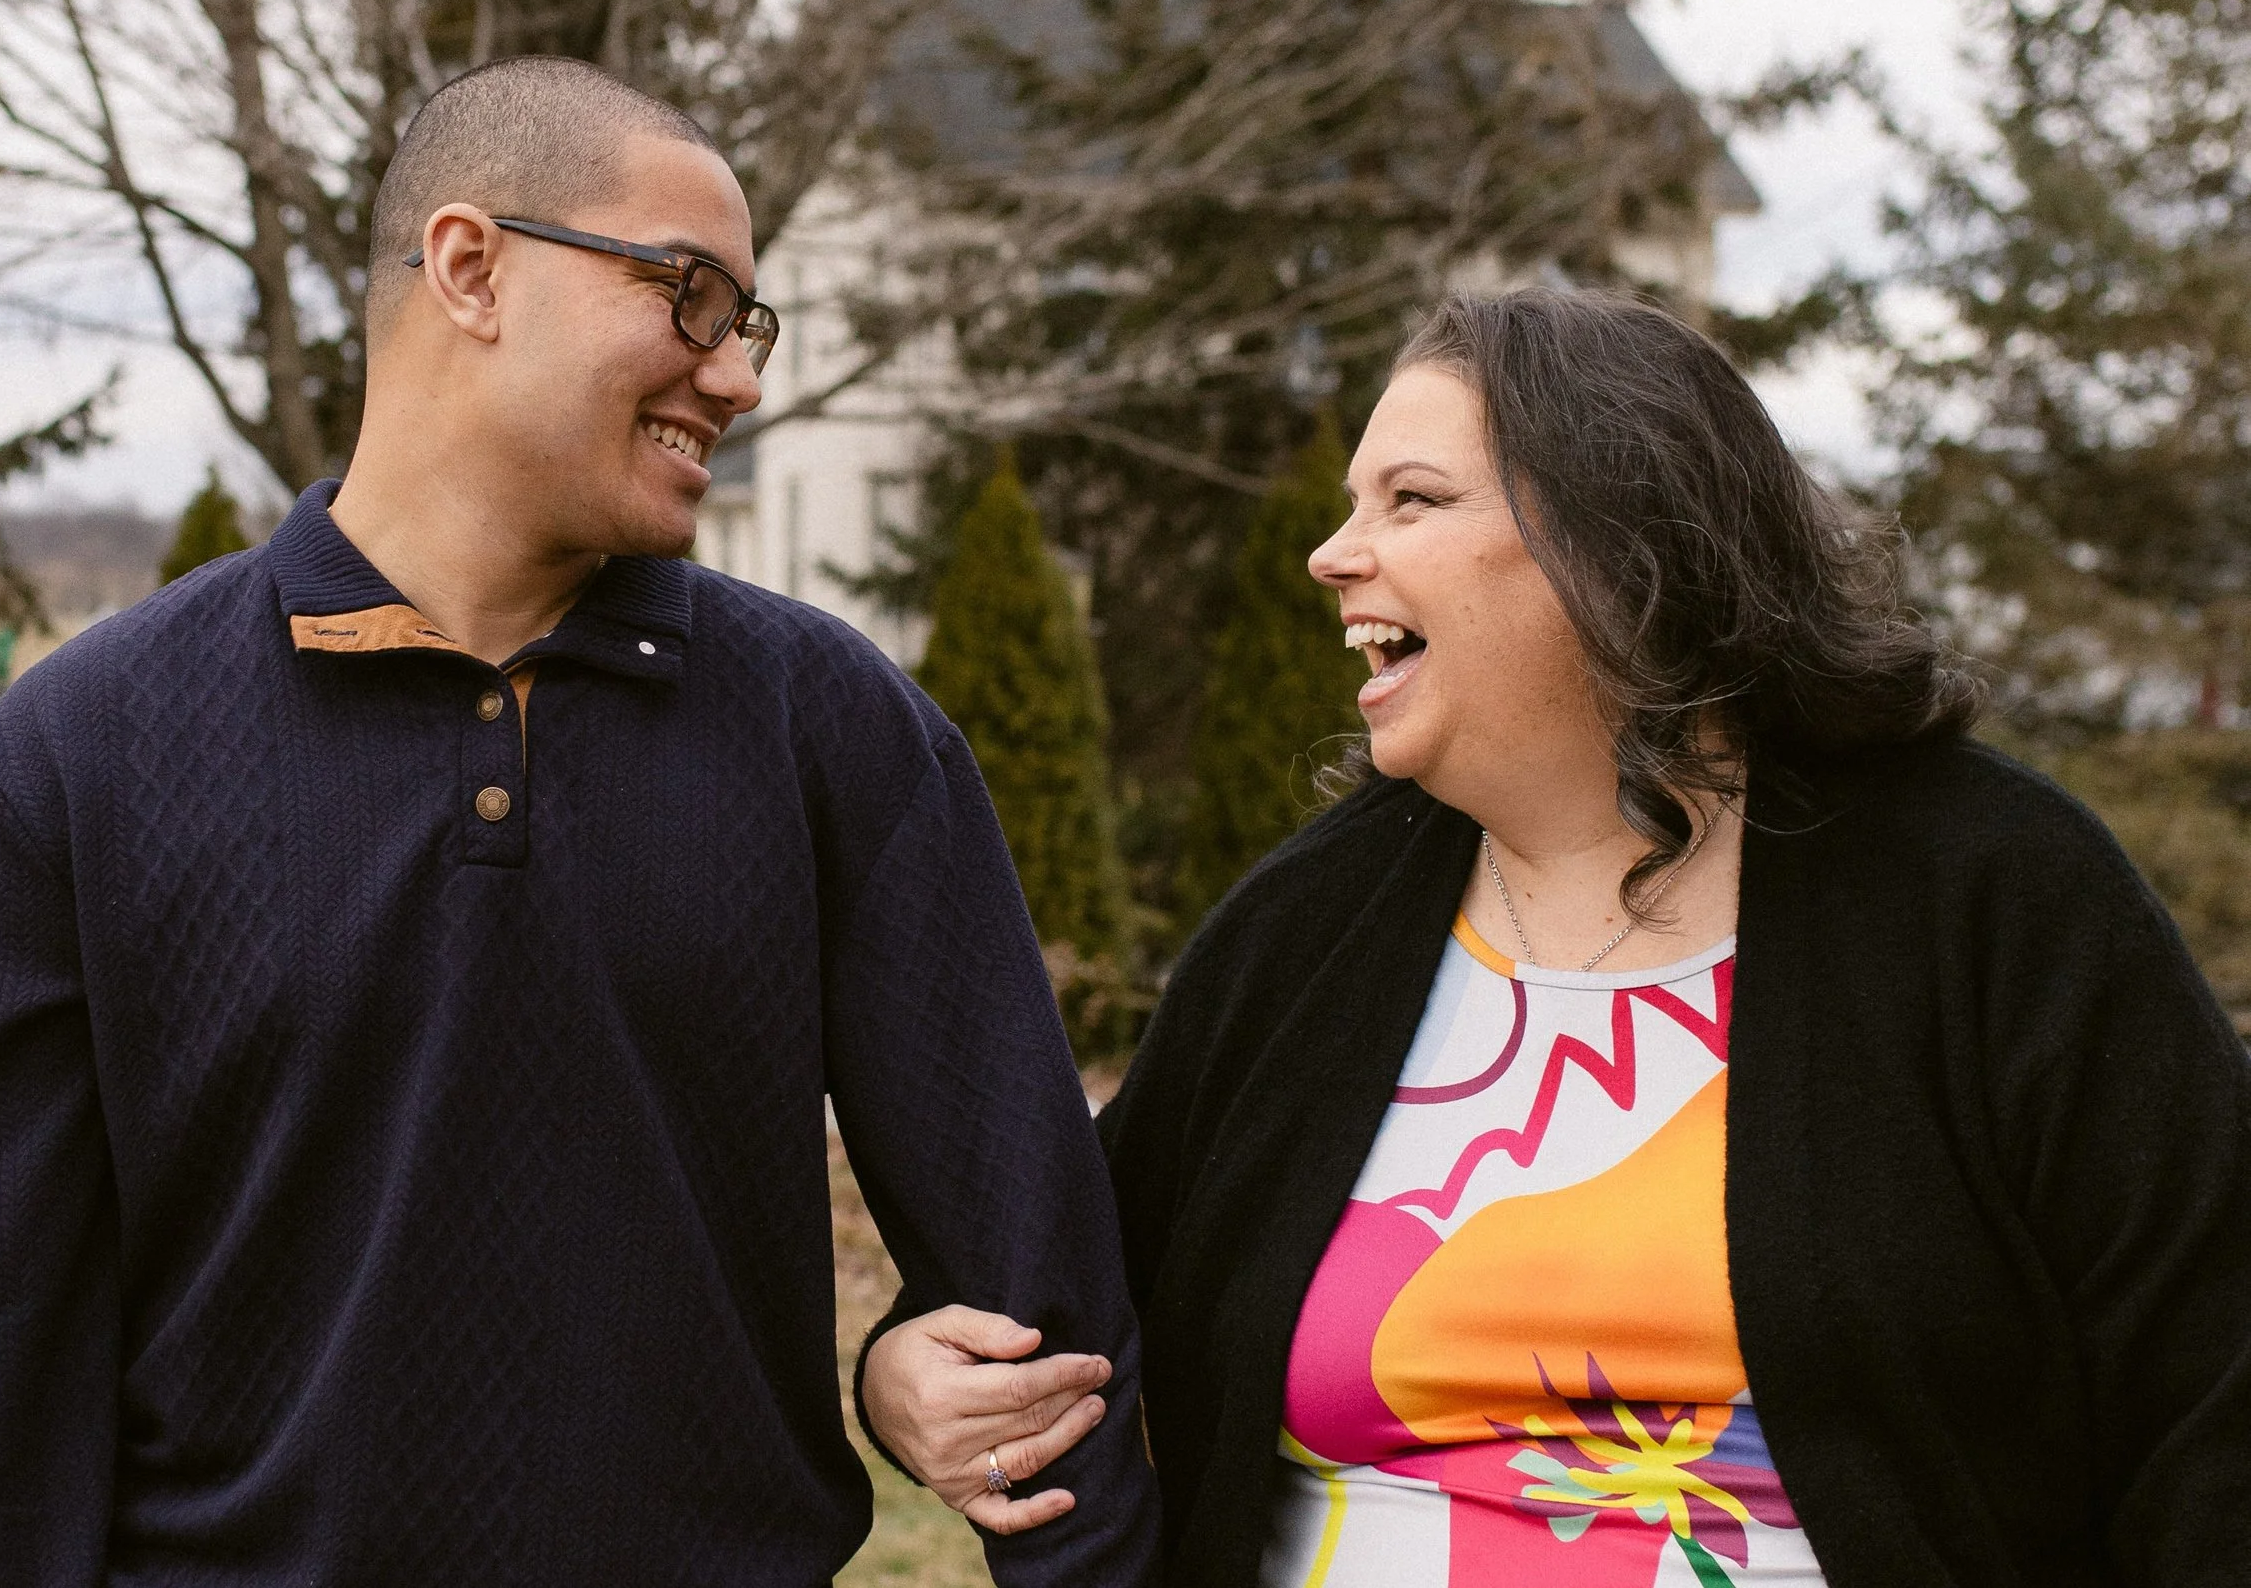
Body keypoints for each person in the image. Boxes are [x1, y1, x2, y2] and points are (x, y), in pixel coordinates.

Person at [0, 56, 1159, 1586]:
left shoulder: (837, 733)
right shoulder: (69, 763)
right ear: (472, 267)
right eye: (689, 296)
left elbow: (1052, 1341)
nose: (738, 374)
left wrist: (911, 1373)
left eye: (745, 322)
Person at [860, 287, 2251, 1586]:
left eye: (1412, 499)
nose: (1331, 554)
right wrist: (902, 1371)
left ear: (1620, 549)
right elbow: (1067, 1282)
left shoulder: (1991, 897)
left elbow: (2211, 1391)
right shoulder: (1311, 930)